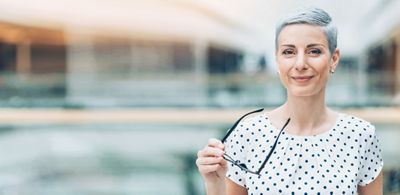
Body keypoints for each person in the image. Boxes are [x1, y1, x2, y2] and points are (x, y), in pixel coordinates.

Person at [196, 7, 384, 195]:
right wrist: (215, 186)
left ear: (333, 59)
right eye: (288, 52)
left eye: (314, 51)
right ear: (277, 60)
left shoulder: (361, 135)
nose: (300, 64)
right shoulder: (246, 135)